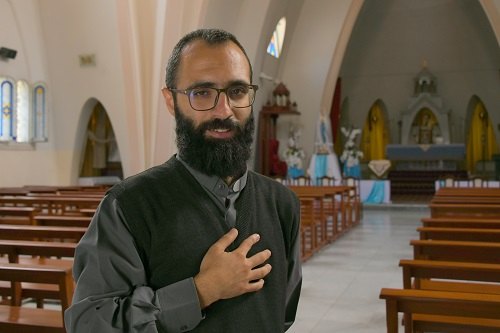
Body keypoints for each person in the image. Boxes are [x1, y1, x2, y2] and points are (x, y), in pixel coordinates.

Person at [64, 28, 302, 333]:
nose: (224, 109)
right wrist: (201, 291)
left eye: (237, 91)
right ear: (170, 100)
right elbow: (88, 325)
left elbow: (280, 315)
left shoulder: (283, 205)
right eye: (202, 92)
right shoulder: (129, 206)